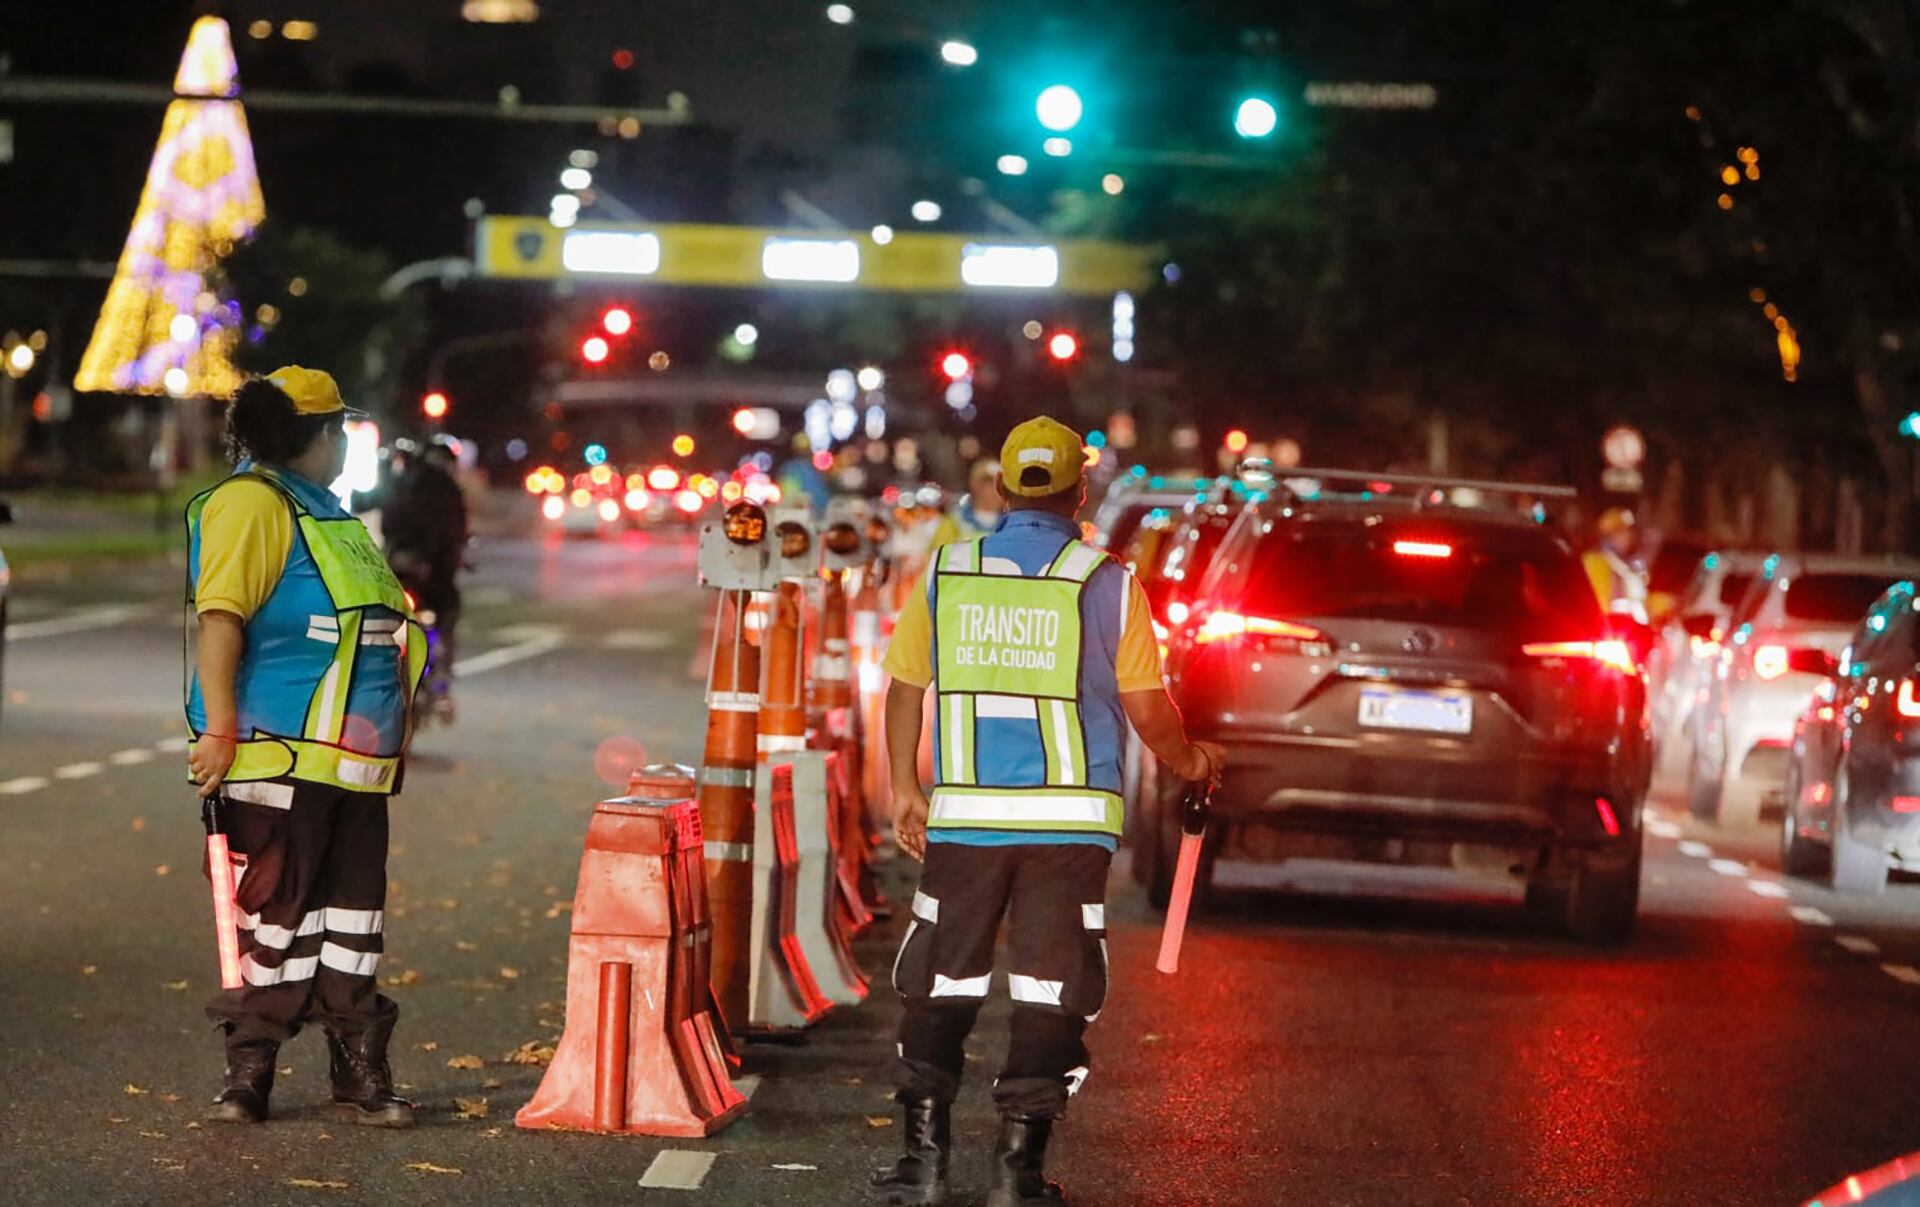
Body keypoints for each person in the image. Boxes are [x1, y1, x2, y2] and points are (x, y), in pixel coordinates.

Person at [871, 416, 1225, 1207]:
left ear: (999, 488)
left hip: (964, 822)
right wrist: (1191, 759)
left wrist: (905, 787)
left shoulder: (948, 571)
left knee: (940, 981)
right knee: (1049, 988)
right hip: (1070, 828)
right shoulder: (1108, 581)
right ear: (1080, 492)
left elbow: (904, 687)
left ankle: (923, 1167)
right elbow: (1147, 704)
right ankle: (1016, 1174)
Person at [185, 366, 426, 1127]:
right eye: (342, 430)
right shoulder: (252, 504)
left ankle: (359, 1068)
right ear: (320, 436)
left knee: (353, 919)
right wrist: (220, 730)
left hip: (349, 764)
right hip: (277, 754)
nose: (348, 442)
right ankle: (248, 1073)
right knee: (277, 920)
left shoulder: (331, 515)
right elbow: (221, 617)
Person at [382, 435, 469, 718]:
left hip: (399, 569)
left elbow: (387, 522)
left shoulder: (402, 483)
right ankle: (442, 684)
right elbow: (455, 533)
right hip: (433, 576)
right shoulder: (448, 490)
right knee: (448, 614)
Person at [1582, 507, 1649, 624]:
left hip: (1635, 629)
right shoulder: (1595, 562)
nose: (1628, 537)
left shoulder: (1632, 566)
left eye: (1629, 531)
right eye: (1622, 532)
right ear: (1609, 537)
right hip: (1611, 631)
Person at [926, 459, 1003, 552]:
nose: (997, 491)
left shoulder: (1011, 523)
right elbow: (936, 557)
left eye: (1001, 485)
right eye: (990, 485)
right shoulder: (954, 522)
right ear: (975, 485)